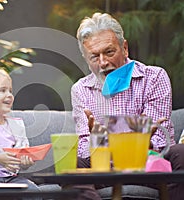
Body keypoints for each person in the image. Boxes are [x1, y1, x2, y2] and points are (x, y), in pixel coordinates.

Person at [71, 12, 184, 200]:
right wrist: (99, 139)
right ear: (86, 60)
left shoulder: (154, 77)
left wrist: (114, 139)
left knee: (181, 153)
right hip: (106, 168)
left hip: (151, 166)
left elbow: (159, 139)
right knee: (72, 162)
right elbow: (84, 149)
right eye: (94, 57)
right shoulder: (81, 89)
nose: (103, 62)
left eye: (109, 52)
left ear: (124, 48)